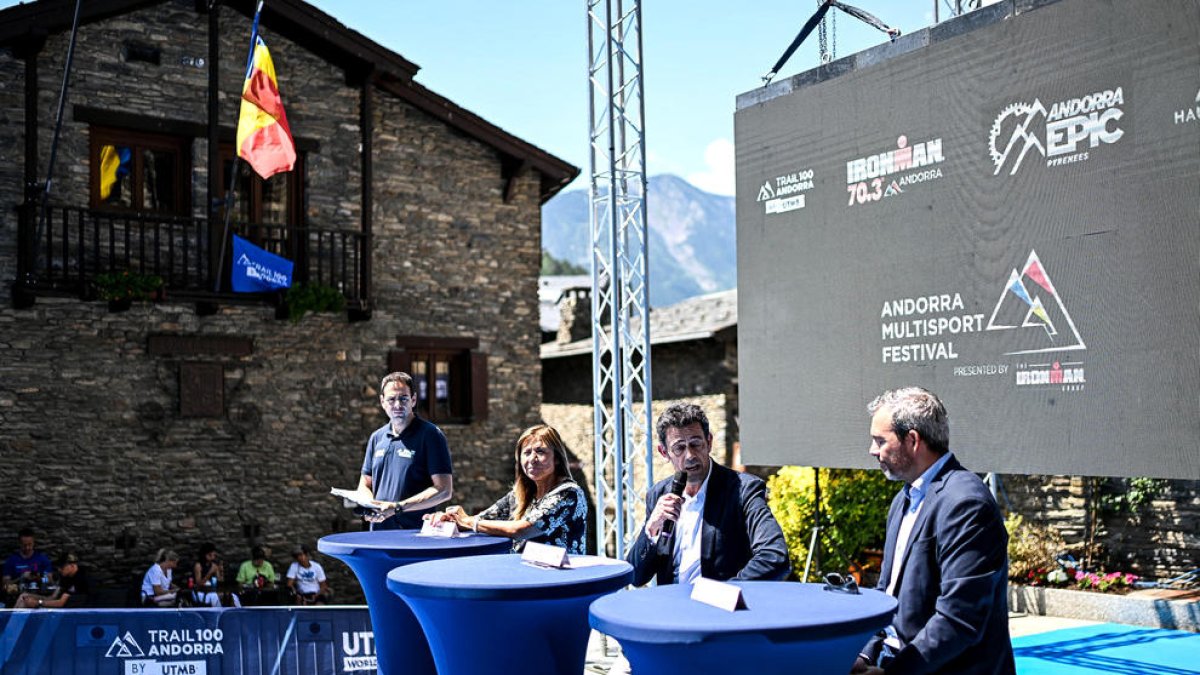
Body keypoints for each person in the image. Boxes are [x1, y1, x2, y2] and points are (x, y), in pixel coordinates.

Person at [851, 387, 1014, 675]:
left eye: (880, 440)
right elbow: (887, 593)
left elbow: (959, 621)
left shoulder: (966, 504)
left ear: (912, 440)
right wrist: (863, 656)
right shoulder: (904, 498)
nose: (872, 450)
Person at [626, 403, 789, 586]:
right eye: (679, 448)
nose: (690, 455)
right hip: (673, 609)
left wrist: (725, 593)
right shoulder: (659, 495)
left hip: (722, 610)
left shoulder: (744, 490)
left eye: (696, 444)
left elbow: (775, 556)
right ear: (664, 452)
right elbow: (636, 577)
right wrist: (651, 529)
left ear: (709, 442)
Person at [427, 424, 587, 553]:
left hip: (559, 582)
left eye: (540, 451)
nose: (532, 459)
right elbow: (483, 519)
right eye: (527, 453)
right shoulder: (519, 495)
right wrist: (448, 519)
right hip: (524, 576)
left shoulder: (569, 493)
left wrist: (468, 521)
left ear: (557, 459)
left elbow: (522, 530)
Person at [355, 372, 454, 529]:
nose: (397, 405)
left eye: (403, 398)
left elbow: (444, 490)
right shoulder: (377, 438)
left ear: (413, 400)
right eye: (391, 399)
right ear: (382, 402)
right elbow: (365, 484)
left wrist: (398, 508)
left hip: (415, 535)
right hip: (379, 534)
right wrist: (370, 504)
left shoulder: (430, 435)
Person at [13, 552, 89, 609]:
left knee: (26, 604)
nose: (59, 569)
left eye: (62, 567)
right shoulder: (65, 578)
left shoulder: (81, 578)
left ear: (72, 566)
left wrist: (37, 602)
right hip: (55, 602)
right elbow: (53, 596)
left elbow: (61, 602)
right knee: (24, 596)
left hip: (70, 611)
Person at [2, 528, 54, 600]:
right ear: (20, 544)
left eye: (30, 544)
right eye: (24, 545)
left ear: (34, 543)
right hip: (17, 595)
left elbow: (50, 581)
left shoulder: (42, 559)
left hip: (38, 595)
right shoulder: (12, 560)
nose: (27, 548)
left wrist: (40, 578)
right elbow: (5, 586)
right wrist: (22, 577)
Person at [191, 543, 226, 608]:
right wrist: (210, 572)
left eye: (213, 554)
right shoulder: (198, 566)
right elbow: (199, 583)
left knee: (230, 595)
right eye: (210, 554)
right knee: (214, 596)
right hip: (200, 592)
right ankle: (218, 613)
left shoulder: (213, 565)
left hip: (211, 590)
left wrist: (221, 571)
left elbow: (220, 580)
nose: (213, 556)